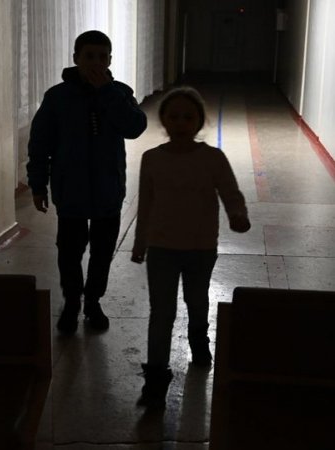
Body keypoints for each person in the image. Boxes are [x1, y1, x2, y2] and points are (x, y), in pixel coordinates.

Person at [131, 86, 251, 408]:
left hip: (200, 247)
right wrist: (140, 242)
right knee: (161, 313)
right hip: (161, 248)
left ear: (199, 121)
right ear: (163, 120)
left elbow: (230, 191)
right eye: (174, 117)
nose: (181, 123)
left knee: (197, 301)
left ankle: (199, 338)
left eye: (188, 117)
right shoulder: (152, 159)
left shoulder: (212, 158)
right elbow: (146, 204)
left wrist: (237, 214)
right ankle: (155, 379)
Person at [27, 30, 147, 335]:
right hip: (71, 192)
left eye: (102, 57)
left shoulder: (120, 92)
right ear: (76, 59)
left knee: (102, 253)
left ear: (110, 60)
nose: (95, 62)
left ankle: (93, 301)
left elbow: (135, 127)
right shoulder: (58, 97)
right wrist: (38, 184)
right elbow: (40, 144)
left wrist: (107, 93)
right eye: (89, 56)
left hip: (108, 191)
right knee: (69, 252)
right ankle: (72, 302)